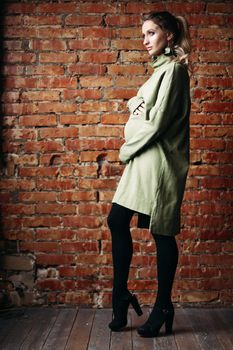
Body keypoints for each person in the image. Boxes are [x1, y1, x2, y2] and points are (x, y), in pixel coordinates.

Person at [107, 11, 192, 337]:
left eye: (151, 33)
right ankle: (121, 296)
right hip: (143, 160)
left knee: (162, 233)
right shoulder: (157, 73)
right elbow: (139, 111)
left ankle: (163, 306)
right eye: (143, 34)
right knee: (116, 221)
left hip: (158, 163)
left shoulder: (174, 71)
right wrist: (136, 108)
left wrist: (127, 144)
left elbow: (154, 125)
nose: (145, 40)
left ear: (169, 35)